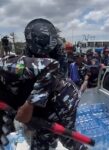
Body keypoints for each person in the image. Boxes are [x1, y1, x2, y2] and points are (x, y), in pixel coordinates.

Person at [0, 18, 88, 150]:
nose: (43, 53)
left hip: (58, 101)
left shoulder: (6, 64)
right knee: (65, 138)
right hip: (58, 102)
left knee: (58, 139)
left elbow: (52, 68)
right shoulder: (27, 56)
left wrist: (29, 105)